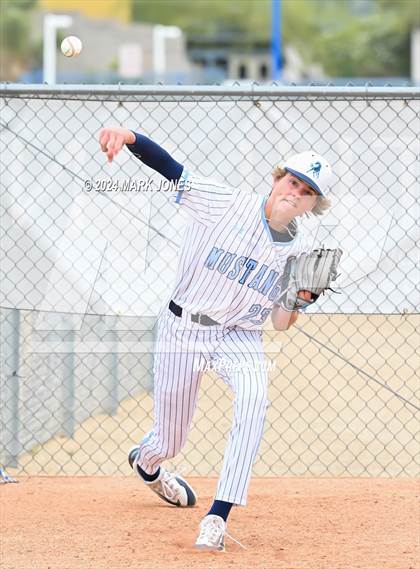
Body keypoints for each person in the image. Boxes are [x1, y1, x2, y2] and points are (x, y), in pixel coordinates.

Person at [99, 126, 333, 551]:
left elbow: (280, 323)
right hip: (183, 327)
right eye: (292, 181)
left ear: (313, 204)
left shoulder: (301, 250)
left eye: (306, 191)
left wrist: (300, 299)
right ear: (277, 178)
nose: (295, 192)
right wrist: (128, 136)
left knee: (254, 397)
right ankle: (148, 464)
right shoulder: (225, 202)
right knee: (170, 440)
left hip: (238, 334)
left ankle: (217, 517)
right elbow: (171, 170)